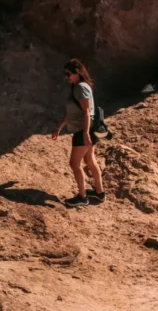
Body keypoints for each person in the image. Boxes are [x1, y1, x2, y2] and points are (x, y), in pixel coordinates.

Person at [52, 59, 106, 207]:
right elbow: (73, 112)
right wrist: (59, 127)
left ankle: (82, 197)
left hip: (84, 129)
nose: (66, 77)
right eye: (65, 74)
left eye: (68, 74)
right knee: (89, 160)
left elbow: (87, 112)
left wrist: (85, 133)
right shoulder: (79, 86)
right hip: (89, 128)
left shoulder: (80, 88)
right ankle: (100, 193)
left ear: (77, 73)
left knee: (74, 163)